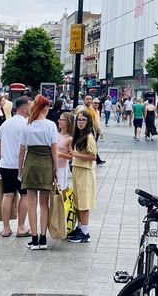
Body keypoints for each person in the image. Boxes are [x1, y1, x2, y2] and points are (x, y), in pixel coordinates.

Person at [18, 95, 58, 251]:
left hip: (31, 164)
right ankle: (43, 238)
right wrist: (55, 170)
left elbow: (21, 151)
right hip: (46, 164)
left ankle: (34, 239)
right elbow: (54, 150)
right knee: (44, 204)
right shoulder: (50, 126)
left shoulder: (28, 126)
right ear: (46, 108)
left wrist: (20, 169)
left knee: (32, 203)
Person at [0, 95, 31, 238]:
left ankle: (5, 228)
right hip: (20, 165)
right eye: (30, 106)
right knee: (24, 195)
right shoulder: (26, 124)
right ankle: (21, 227)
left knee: (7, 195)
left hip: (5, 165)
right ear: (24, 108)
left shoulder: (5, 124)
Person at [67, 111, 97, 243]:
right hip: (77, 169)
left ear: (88, 121)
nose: (80, 122)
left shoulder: (89, 136)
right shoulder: (79, 135)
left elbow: (93, 156)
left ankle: (85, 231)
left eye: (83, 120)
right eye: (79, 119)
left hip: (85, 171)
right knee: (78, 201)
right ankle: (80, 227)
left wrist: (75, 154)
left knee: (84, 202)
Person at [77, 95, 105, 165]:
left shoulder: (91, 109)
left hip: (90, 131)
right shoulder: (81, 109)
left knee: (91, 146)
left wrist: (99, 131)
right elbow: (78, 121)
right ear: (84, 100)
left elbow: (94, 121)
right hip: (83, 132)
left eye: (90, 99)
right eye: (87, 99)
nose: (89, 100)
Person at [57, 111, 75, 190]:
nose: (60, 121)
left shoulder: (70, 138)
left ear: (68, 122)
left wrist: (60, 154)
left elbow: (72, 156)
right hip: (51, 167)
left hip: (61, 168)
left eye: (62, 120)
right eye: (59, 119)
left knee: (59, 192)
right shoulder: (55, 133)